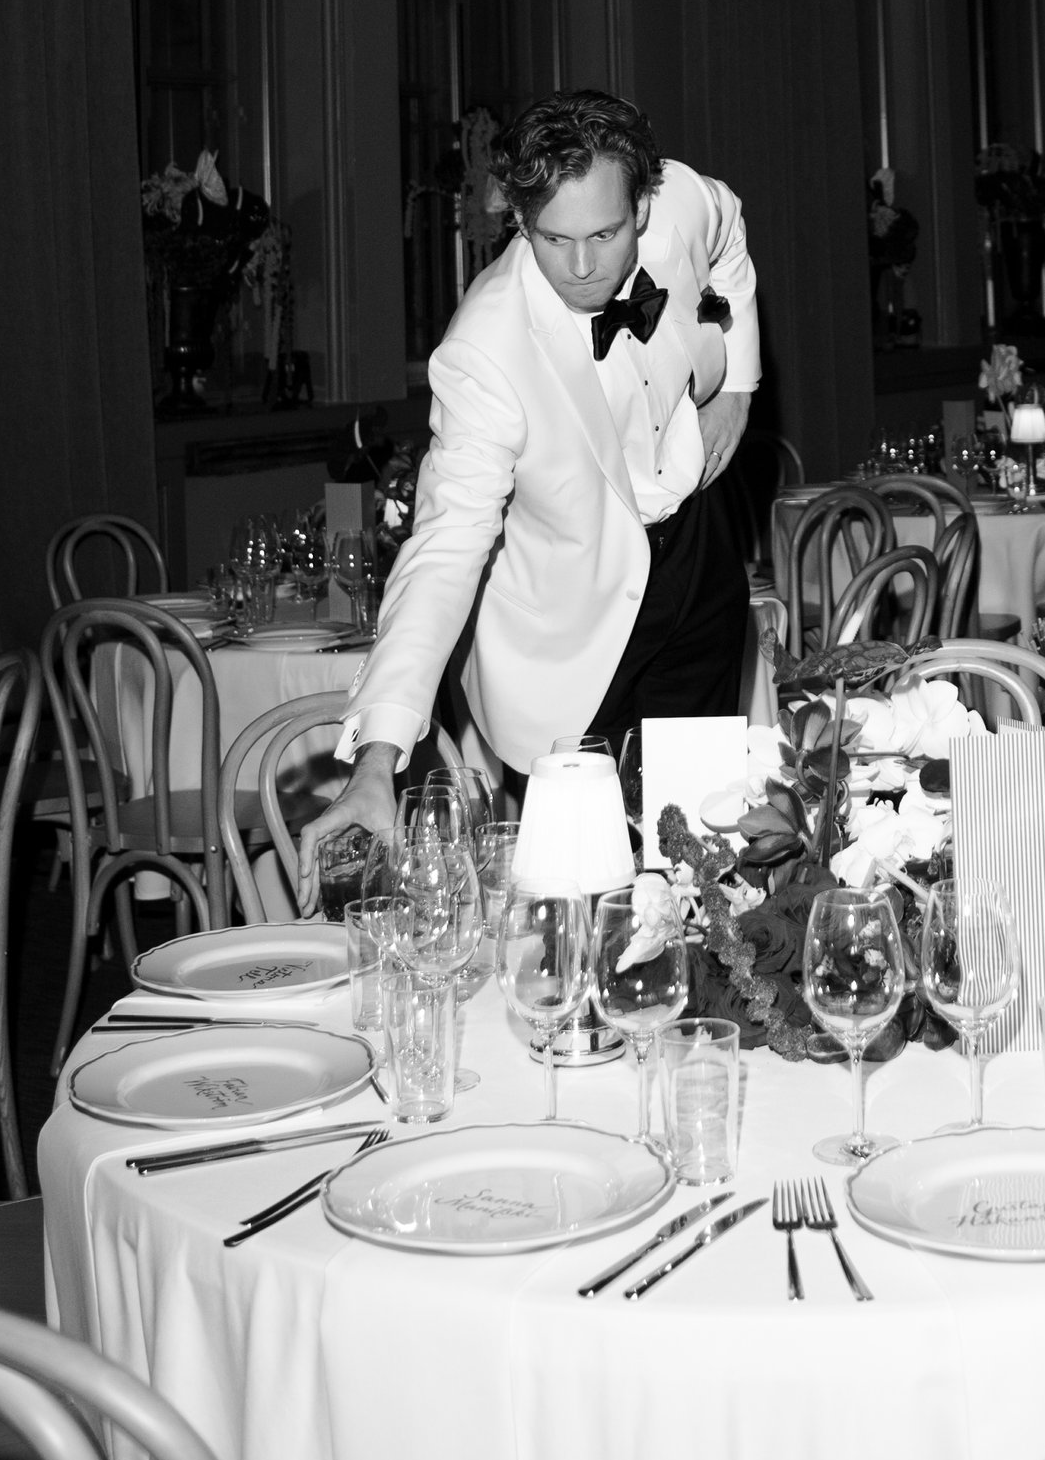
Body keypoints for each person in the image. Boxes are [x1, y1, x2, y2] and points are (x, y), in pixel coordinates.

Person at [297, 91, 759, 887]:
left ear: (643, 203)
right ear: (516, 216)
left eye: (606, 235)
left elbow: (729, 232)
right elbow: (443, 548)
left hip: (695, 558)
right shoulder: (486, 349)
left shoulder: (681, 201)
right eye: (554, 238)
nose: (582, 267)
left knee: (706, 863)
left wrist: (736, 382)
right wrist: (378, 760)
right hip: (575, 634)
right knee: (590, 896)